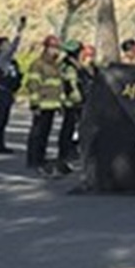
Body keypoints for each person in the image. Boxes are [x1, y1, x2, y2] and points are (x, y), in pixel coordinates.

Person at [25, 35, 66, 174]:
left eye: (57, 49)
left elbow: (58, 86)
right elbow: (33, 85)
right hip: (42, 104)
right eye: (54, 48)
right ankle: (33, 159)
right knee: (37, 133)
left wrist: (60, 103)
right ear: (47, 48)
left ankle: (41, 157)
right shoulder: (38, 64)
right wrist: (35, 104)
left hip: (52, 104)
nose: (56, 51)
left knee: (45, 133)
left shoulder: (55, 65)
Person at [56, 39, 89, 174]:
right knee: (69, 128)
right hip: (72, 103)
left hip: (73, 102)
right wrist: (79, 100)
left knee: (73, 128)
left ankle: (69, 151)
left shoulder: (72, 65)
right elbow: (72, 86)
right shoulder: (69, 67)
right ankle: (65, 152)